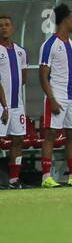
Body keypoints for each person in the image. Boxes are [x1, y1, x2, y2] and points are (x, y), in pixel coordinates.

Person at [39, 5, 72, 187]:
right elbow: (42, 74)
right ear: (64, 21)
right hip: (57, 95)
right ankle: (46, 176)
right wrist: (51, 99)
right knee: (51, 134)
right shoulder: (49, 45)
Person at [0, 14, 28, 189]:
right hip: (2, 105)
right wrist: (4, 105)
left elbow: (23, 77)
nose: (4, 28)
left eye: (7, 25)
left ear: (13, 28)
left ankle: (13, 180)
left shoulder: (20, 51)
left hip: (17, 105)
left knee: (18, 140)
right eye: (1, 25)